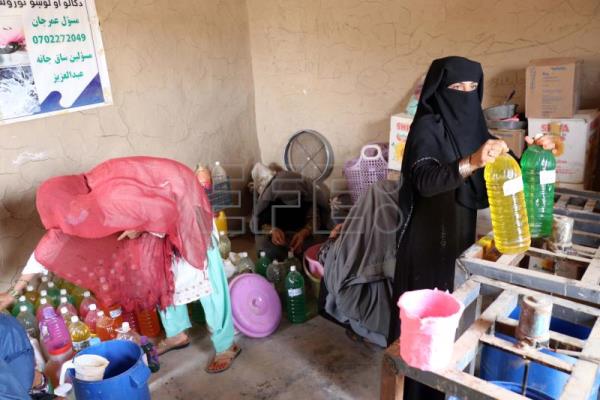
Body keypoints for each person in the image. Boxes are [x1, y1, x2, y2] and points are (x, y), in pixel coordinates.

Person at [394, 56, 556, 399]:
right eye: (457, 87)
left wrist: (534, 152)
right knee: (426, 327)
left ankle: (443, 390)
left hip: (458, 236)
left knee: (453, 318)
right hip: (425, 241)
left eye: (472, 87)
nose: (465, 94)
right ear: (440, 90)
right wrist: (469, 162)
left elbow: (498, 166)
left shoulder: (473, 127)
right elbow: (423, 180)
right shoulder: (428, 127)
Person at [250, 163, 331, 261]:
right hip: (277, 237)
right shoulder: (269, 199)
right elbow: (258, 223)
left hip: (301, 233)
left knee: (320, 247)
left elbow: (315, 219)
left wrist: (304, 232)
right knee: (264, 247)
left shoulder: (307, 196)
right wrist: (272, 230)